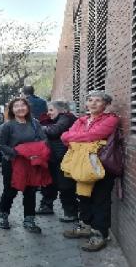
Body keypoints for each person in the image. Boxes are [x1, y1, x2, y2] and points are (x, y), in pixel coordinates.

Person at [62, 91, 120, 252]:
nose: (93, 103)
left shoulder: (111, 119)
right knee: (84, 196)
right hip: (82, 165)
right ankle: (85, 226)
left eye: (98, 100)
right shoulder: (81, 120)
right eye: (90, 100)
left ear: (105, 104)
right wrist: (83, 138)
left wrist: (77, 138)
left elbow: (95, 134)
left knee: (100, 199)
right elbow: (64, 137)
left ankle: (100, 234)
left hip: (101, 164)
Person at [0, 97, 47, 233]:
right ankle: (3, 216)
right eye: (16, 106)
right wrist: (19, 152)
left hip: (31, 162)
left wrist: (36, 153)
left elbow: (43, 140)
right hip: (12, 162)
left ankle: (29, 220)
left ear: (28, 107)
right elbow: (1, 145)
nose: (20, 108)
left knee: (30, 191)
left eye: (23, 105)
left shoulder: (35, 123)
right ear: (12, 110)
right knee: (10, 190)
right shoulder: (7, 126)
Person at [39, 100, 78, 223]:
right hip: (54, 157)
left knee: (65, 186)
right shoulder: (58, 119)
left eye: (51, 110)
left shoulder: (66, 117)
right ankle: (47, 206)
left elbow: (54, 131)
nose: (48, 113)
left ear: (61, 110)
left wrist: (40, 128)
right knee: (50, 183)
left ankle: (71, 213)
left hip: (63, 158)